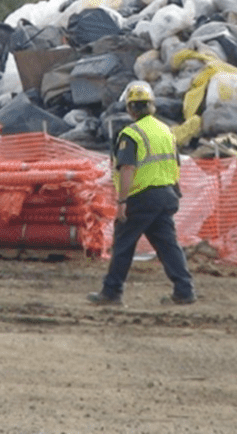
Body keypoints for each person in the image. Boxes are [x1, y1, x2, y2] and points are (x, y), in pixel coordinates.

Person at [87, 82, 196, 306]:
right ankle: (184, 290)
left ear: (130, 109)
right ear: (152, 107)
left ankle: (111, 292)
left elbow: (127, 168)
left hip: (141, 196)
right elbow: (175, 163)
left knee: (124, 244)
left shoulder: (131, 134)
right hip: (166, 194)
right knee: (168, 246)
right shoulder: (166, 131)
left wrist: (122, 201)